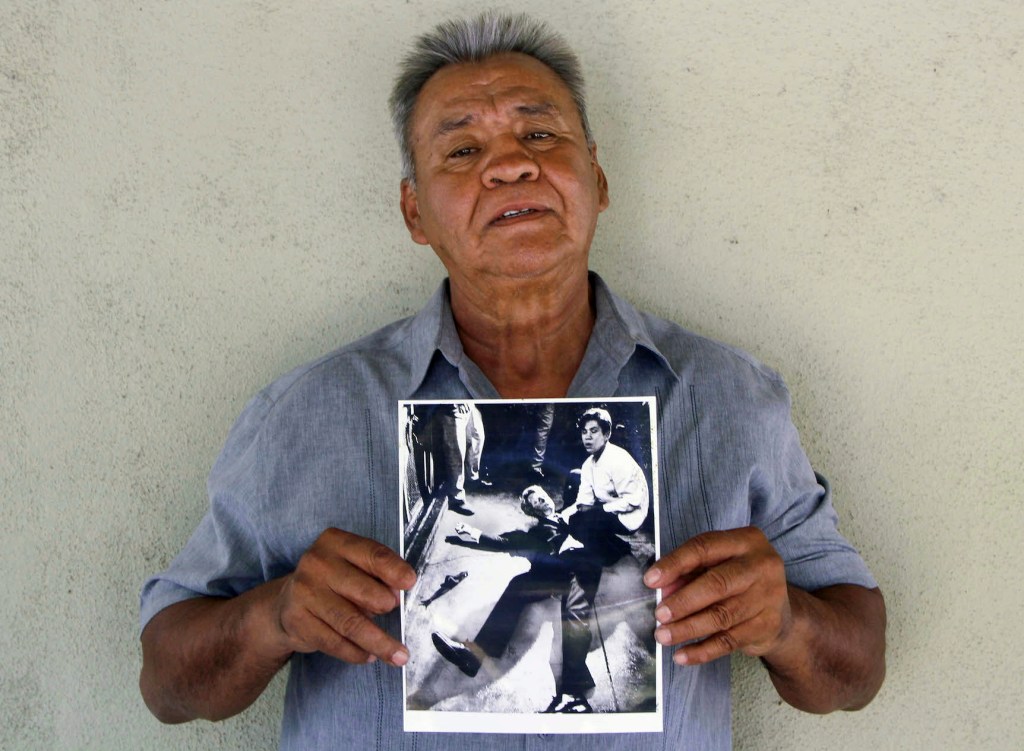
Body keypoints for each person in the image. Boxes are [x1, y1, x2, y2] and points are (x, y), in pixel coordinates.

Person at [138, 12, 886, 750]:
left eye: (540, 134)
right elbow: (168, 684)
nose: (509, 164)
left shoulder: (729, 397)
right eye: (461, 149)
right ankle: (516, 659)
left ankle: (553, 671)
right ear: (415, 212)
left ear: (595, 177)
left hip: (603, 547)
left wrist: (787, 621)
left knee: (554, 577)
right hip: (563, 542)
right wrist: (274, 616)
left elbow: (854, 670)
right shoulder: (306, 413)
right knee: (537, 568)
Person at [432, 486, 602, 713]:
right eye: (536, 503)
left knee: (571, 623)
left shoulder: (569, 515)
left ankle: (575, 694)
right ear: (533, 512)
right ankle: (472, 658)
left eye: (543, 496)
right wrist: (472, 535)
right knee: (518, 584)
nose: (543, 501)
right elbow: (504, 541)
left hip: (577, 573)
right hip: (555, 576)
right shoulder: (537, 532)